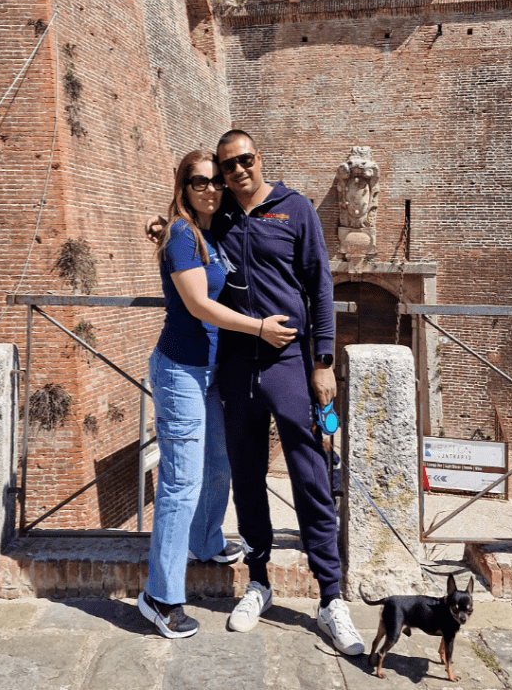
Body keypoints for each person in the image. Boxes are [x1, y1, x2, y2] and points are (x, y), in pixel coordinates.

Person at [211, 130, 364, 653]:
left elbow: (320, 285)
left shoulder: (295, 208)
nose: (238, 171)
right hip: (237, 366)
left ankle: (331, 598)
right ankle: (258, 582)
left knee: (310, 475)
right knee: (248, 476)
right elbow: (186, 227)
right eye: (228, 165)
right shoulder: (219, 215)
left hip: (288, 364)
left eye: (245, 160)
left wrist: (323, 363)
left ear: (259, 159)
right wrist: (162, 226)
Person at [138, 149, 298, 640]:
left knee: (219, 462)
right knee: (181, 483)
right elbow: (199, 305)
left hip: (210, 371)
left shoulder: (209, 229)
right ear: (183, 187)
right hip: (180, 371)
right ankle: (160, 597)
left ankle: (205, 541)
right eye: (199, 182)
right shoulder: (184, 234)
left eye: (215, 181)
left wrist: (160, 224)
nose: (210, 188)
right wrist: (260, 328)